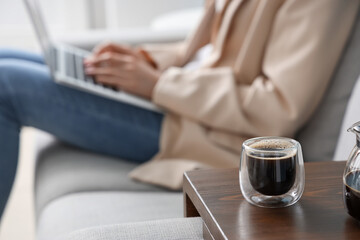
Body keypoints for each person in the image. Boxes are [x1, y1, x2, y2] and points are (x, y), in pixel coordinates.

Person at [0, 0, 358, 219]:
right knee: (7, 59)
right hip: (182, 100)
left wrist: (158, 84)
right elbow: (205, 51)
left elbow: (276, 108)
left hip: (208, 131)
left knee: (8, 83)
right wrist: (140, 62)